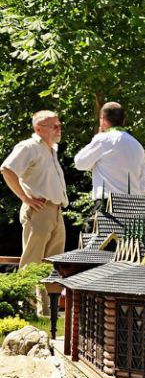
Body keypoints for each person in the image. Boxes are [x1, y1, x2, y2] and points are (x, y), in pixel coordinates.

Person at [1, 110, 68, 315]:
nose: (58, 129)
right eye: (53, 126)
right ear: (38, 129)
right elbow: (7, 169)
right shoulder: (29, 147)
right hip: (39, 211)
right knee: (32, 263)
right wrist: (26, 198)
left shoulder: (51, 149)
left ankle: (47, 314)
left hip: (56, 211)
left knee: (53, 266)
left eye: (59, 124)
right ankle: (26, 312)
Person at [74, 102, 145, 210]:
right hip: (134, 206)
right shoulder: (137, 146)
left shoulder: (103, 140)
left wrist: (98, 136)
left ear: (103, 120)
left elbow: (80, 163)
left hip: (108, 206)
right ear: (123, 121)